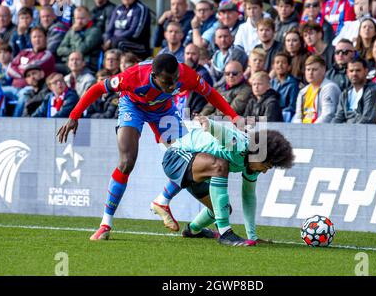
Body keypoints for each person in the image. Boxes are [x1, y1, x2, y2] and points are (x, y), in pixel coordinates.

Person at [56, 54, 240, 240]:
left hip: (163, 110)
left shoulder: (186, 74)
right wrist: (74, 116)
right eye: (167, 82)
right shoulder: (132, 77)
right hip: (133, 107)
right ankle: (105, 224)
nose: (172, 86)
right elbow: (97, 89)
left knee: (187, 160)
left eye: (175, 80)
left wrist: (234, 116)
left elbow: (211, 93)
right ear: (154, 75)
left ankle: (174, 208)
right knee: (127, 161)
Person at [157, 115, 295, 246]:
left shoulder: (253, 167)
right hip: (175, 157)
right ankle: (225, 233)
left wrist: (252, 236)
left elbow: (248, 197)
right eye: (266, 166)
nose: (264, 171)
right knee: (220, 166)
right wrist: (208, 123)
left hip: (198, 169)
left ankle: (192, 230)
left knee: (223, 209)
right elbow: (223, 132)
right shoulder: (240, 145)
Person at [332, 56, 376, 123]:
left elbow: (368, 119)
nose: (354, 74)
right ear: (347, 73)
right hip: (346, 131)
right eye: (351, 71)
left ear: (366, 71)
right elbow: (338, 118)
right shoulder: (345, 93)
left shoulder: (374, 90)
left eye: (358, 70)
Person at [292, 55, 341, 123]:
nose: (310, 73)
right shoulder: (303, 92)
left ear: (323, 70)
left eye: (314, 69)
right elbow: (298, 116)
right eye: (308, 69)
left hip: (320, 130)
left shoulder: (330, 88)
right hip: (303, 130)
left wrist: (312, 130)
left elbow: (328, 115)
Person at [56, 6, 103, 72]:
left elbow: (81, 49)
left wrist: (76, 33)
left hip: (87, 65)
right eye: (77, 18)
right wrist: (73, 52)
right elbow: (59, 50)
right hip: (70, 64)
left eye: (82, 18)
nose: (79, 21)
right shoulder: (72, 30)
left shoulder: (95, 31)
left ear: (89, 17)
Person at [270, 52, 299, 122]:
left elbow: (292, 106)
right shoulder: (271, 83)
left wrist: (277, 112)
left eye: (283, 63)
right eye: (277, 62)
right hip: (270, 113)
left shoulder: (293, 84)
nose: (280, 65)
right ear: (273, 66)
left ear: (289, 67)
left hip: (285, 115)